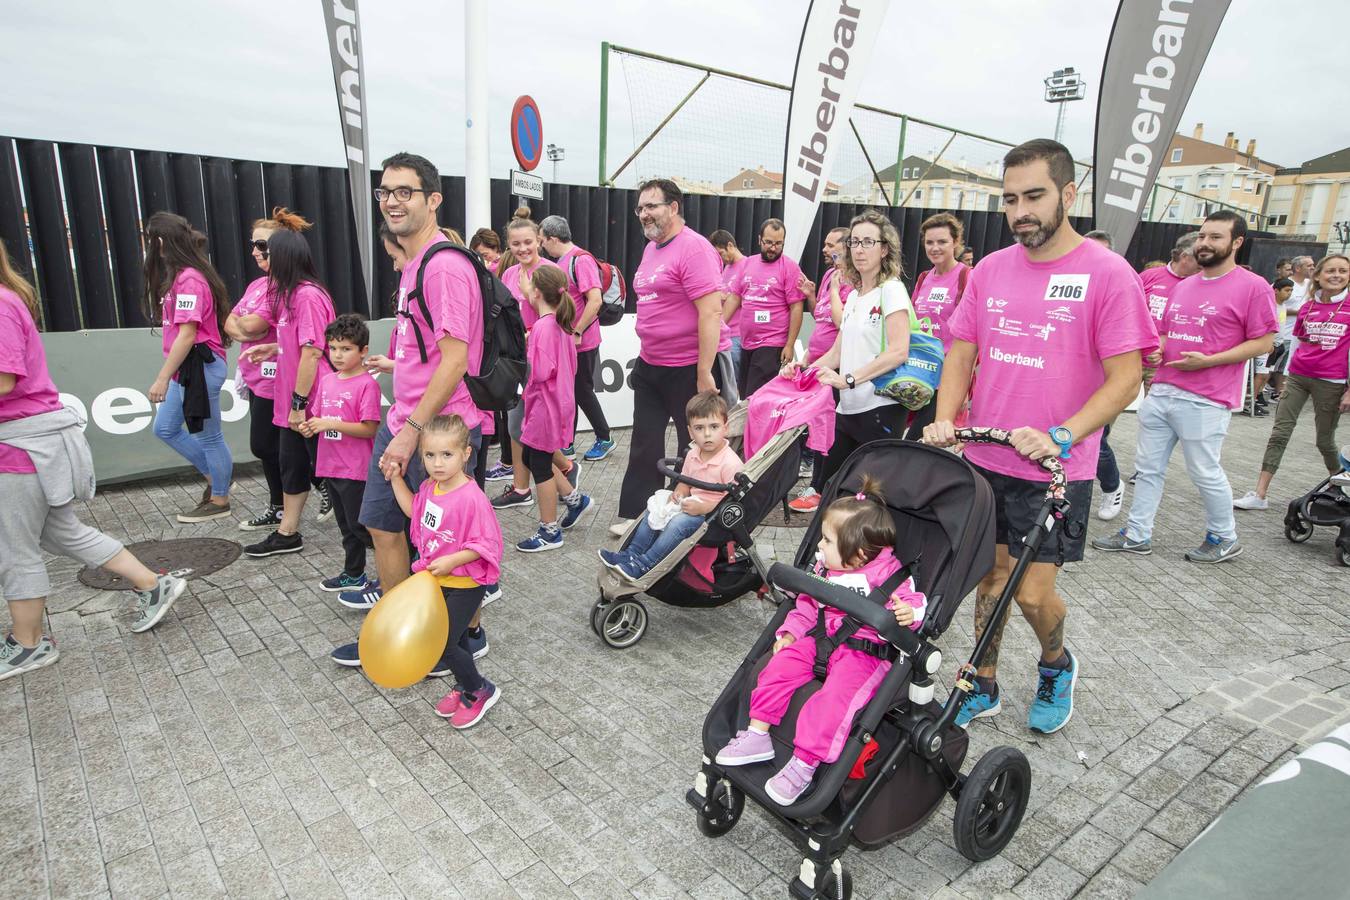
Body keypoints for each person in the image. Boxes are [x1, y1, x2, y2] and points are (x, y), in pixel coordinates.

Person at [924, 138, 1157, 735]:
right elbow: (960, 353)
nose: (1020, 210)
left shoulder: (1109, 275)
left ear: (1068, 194)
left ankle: (1056, 665)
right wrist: (947, 417)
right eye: (1010, 199)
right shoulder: (992, 271)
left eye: (1034, 196)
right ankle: (983, 680)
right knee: (986, 579)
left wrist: (1062, 433)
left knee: (1029, 594)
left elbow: (1127, 378)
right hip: (983, 458)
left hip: (1055, 468)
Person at [332, 152, 493, 664]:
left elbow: (455, 360)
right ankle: (402, 630)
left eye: (406, 192)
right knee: (383, 524)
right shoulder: (415, 262)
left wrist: (412, 431)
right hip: (406, 420)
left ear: (433, 200)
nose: (393, 201)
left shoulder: (443, 266)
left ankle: (461, 639)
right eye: (386, 192)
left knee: (448, 543)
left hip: (439, 427)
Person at [0, 242, 189, 680]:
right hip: (27, 444)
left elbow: (6, 380)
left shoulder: (2, 305)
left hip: (22, 447)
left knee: (16, 550)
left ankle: (29, 645)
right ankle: (152, 583)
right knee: (60, 532)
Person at [713, 477, 927, 806]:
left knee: (832, 701)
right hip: (823, 639)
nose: (819, 547)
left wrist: (907, 614)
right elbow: (806, 605)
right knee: (776, 667)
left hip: (865, 654)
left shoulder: (891, 576)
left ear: (856, 553)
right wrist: (790, 633)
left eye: (827, 541)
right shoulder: (827, 569)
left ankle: (804, 766)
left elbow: (916, 604)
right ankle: (757, 735)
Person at [1093, 210, 1276, 561]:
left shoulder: (1254, 287)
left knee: (1204, 471)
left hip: (1207, 397)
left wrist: (1209, 361)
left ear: (1237, 242)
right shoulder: (1187, 285)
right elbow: (1164, 331)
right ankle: (1137, 533)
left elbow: (1265, 342)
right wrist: (1159, 347)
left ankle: (1224, 536)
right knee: (1147, 470)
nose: (1205, 244)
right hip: (1163, 389)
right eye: (1202, 236)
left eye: (1215, 237)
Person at [615, 179, 730, 533]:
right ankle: (638, 516)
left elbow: (711, 312)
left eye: (652, 206)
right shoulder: (652, 249)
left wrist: (704, 371)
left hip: (689, 366)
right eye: (640, 208)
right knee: (645, 441)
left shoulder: (694, 249)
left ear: (674, 207)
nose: (644, 213)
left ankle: (687, 516)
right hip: (652, 363)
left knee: (693, 443)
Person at [782, 210, 913, 492]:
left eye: (869, 242)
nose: (860, 249)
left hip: (881, 409)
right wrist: (803, 369)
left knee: (871, 498)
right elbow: (836, 353)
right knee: (828, 487)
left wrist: (849, 379)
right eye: (855, 242)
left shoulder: (892, 290)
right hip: (848, 408)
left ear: (884, 249)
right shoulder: (854, 296)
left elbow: (899, 351)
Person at [390, 415, 503, 729]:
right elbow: (416, 513)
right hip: (437, 580)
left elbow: (487, 544)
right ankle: (466, 682)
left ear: (466, 454)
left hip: (465, 582)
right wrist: (396, 480)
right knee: (456, 638)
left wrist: (454, 560)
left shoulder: (471, 498)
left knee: (443, 642)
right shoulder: (431, 487)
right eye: (430, 455)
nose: (437, 463)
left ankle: (479, 690)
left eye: (447, 455)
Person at [241, 230, 336, 558]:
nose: (259, 254)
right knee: (291, 465)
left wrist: (298, 405)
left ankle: (365, 532)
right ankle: (288, 533)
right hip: (291, 401)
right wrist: (274, 346)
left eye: (266, 250)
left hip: (308, 400)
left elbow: (313, 351)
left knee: (334, 469)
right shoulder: (286, 294)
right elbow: (298, 343)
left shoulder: (307, 295)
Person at [1234, 255, 1350, 510]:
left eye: (1343, 271)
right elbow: (1297, 344)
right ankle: (1260, 494)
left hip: (1331, 381)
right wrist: (1285, 379)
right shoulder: (1308, 306)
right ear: (1317, 276)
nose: (1337, 275)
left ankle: (1344, 486)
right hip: (1298, 377)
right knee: (1279, 433)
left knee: (1324, 440)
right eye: (1331, 270)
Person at [142, 212, 234, 523]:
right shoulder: (182, 276)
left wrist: (161, 378)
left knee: (209, 436)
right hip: (188, 367)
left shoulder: (191, 279)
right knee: (165, 428)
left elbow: (188, 333)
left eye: (149, 238)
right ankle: (216, 478)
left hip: (199, 367)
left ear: (159, 241)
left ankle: (220, 498)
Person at [488, 211, 579, 510]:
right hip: (518, 358)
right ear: (508, 246)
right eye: (515, 244)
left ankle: (536, 482)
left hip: (538, 359)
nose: (523, 249)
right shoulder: (510, 274)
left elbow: (557, 311)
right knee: (517, 429)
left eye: (528, 242)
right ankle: (547, 481)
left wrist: (529, 298)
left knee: (527, 431)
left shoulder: (549, 273)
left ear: (539, 241)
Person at [599, 390, 741, 580]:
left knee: (678, 524)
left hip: (712, 516)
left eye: (714, 427)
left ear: (726, 428)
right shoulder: (693, 454)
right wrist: (679, 492)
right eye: (699, 428)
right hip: (690, 503)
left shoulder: (730, 463)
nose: (707, 434)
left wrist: (705, 507)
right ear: (690, 432)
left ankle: (645, 565)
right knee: (654, 506)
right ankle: (631, 553)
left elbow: (733, 501)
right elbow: (685, 479)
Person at [227, 208, 303, 531]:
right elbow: (231, 323)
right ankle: (277, 504)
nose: (255, 252)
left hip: (277, 379)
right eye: (253, 245)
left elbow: (253, 325)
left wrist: (245, 326)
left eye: (262, 246)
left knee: (267, 444)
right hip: (253, 378)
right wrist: (244, 327)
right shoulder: (258, 285)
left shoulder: (286, 287)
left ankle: (307, 486)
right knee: (266, 447)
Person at [512, 266, 595, 551]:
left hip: (544, 406)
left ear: (535, 292)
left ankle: (550, 531)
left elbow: (540, 371)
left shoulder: (543, 328)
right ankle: (575, 500)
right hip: (554, 404)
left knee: (538, 464)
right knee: (535, 455)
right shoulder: (561, 325)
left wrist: (521, 361)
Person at [298, 314, 381, 591]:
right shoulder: (328, 381)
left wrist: (330, 424)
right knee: (346, 527)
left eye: (346, 349)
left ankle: (396, 566)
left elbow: (369, 429)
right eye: (333, 348)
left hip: (355, 469)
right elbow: (321, 419)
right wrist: (311, 427)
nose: (337, 355)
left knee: (363, 527)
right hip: (329, 466)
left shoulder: (367, 384)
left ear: (363, 351)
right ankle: (354, 574)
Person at [540, 214, 616, 463]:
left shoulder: (579, 260)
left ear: (552, 238)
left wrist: (577, 332)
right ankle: (568, 443)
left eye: (542, 240)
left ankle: (605, 438)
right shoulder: (564, 261)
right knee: (571, 391)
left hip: (581, 341)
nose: (541, 246)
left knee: (581, 390)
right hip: (570, 340)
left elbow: (595, 300)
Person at [789, 228, 854, 513]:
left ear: (847, 247)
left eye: (831, 245)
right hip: (818, 360)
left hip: (837, 368)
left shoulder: (852, 283)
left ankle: (820, 486)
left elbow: (842, 324)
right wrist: (814, 294)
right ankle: (816, 482)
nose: (825, 250)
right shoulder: (830, 276)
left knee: (828, 430)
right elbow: (821, 317)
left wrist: (835, 289)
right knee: (816, 424)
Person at [905, 213, 972, 443]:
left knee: (918, 441)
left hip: (947, 378)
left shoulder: (966, 277)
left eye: (942, 241)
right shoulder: (924, 278)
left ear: (955, 242)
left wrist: (963, 389)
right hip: (919, 373)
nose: (935, 248)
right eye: (929, 242)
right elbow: (912, 323)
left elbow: (974, 338)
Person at [722, 218, 806, 396]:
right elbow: (734, 298)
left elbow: (797, 307)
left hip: (771, 343)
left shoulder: (789, 267)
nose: (773, 248)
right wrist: (717, 326)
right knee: (744, 394)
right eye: (768, 242)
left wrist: (789, 345)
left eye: (778, 243)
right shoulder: (747, 263)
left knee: (756, 395)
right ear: (759, 240)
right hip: (746, 343)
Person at [1249, 277, 1294, 417]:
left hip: (1278, 345)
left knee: (1266, 375)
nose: (1289, 294)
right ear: (1276, 290)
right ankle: (1250, 404)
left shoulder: (1283, 305)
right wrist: (1267, 343)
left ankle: (1257, 399)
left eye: (1291, 290)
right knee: (1260, 374)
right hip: (1267, 345)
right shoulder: (1270, 304)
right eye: (1287, 290)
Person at [710, 230, 748, 369]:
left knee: (736, 385)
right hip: (724, 334)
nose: (721, 258)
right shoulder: (726, 269)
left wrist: (733, 298)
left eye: (721, 253)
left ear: (730, 245)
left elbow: (754, 299)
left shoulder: (747, 265)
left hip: (738, 335)